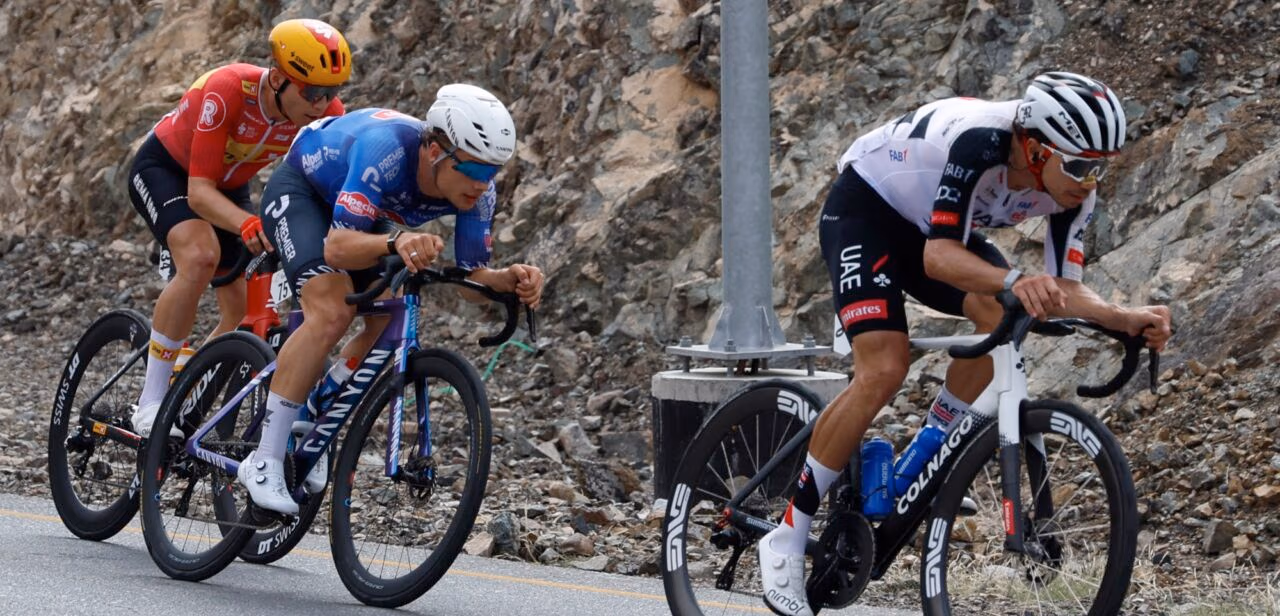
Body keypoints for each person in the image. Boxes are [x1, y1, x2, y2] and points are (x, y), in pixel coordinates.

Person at [756, 72, 1174, 616]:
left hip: (932, 227)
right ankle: (787, 537)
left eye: (1101, 167)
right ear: (1035, 148)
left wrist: (1122, 317)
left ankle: (925, 457)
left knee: (999, 316)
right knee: (884, 367)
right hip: (868, 210)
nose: (1090, 181)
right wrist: (1014, 280)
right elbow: (938, 259)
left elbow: (1065, 288)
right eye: (1078, 166)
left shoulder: (1074, 193)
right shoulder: (980, 142)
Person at [241, 84, 545, 513]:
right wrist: (397, 241)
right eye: (475, 170)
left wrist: (505, 280)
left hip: (363, 212)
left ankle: (315, 406)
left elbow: (468, 281)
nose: (483, 185)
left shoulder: (478, 192)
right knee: (331, 311)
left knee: (387, 315)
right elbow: (337, 249)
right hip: (304, 192)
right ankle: (264, 459)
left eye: (492, 172)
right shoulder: (385, 149)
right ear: (436, 151)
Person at [126, 19, 351, 437]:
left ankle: (186, 395)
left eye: (332, 91)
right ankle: (151, 400)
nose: (322, 104)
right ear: (279, 79)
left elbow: (328, 188)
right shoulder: (229, 89)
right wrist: (246, 222)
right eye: (312, 92)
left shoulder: (328, 114)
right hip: (168, 171)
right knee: (200, 256)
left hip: (229, 185)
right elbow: (199, 193)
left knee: (241, 310)